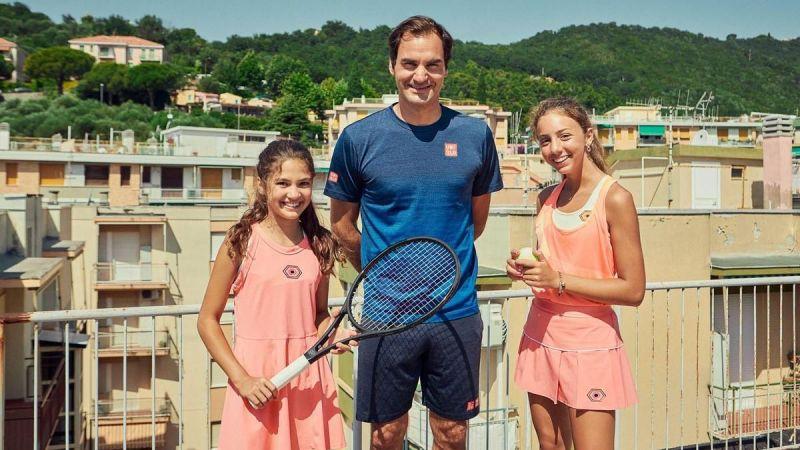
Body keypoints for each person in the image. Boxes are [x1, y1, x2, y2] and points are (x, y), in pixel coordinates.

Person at [324, 15, 503, 449]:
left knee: (452, 432)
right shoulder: (358, 138)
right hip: (386, 314)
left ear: (445, 69)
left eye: (432, 65)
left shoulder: (475, 135)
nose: (420, 76)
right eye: (409, 63)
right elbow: (342, 225)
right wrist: (384, 273)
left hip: (455, 310)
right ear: (391, 66)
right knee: (387, 433)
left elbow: (475, 222)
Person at [506, 97, 646, 450]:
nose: (555, 149)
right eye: (545, 141)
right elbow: (552, 263)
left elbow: (633, 290)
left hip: (590, 346)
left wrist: (559, 280)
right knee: (550, 446)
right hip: (540, 336)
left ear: (589, 136)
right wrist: (526, 268)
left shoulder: (615, 198)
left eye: (564, 136)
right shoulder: (545, 198)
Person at [198, 140, 352, 449]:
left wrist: (332, 335)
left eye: (303, 184)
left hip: (310, 380)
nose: (294, 194)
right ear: (262, 185)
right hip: (258, 382)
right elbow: (207, 321)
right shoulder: (240, 241)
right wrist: (242, 380)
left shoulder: (320, 244)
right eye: (283, 183)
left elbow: (319, 315)